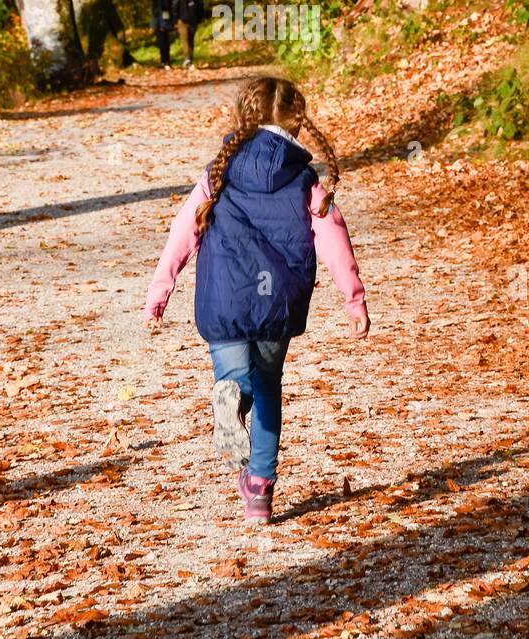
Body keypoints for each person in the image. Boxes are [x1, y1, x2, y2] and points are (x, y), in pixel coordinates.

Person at [144, 75, 369, 523]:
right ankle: (260, 490)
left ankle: (232, 395)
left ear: (243, 117)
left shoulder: (219, 171)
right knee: (268, 384)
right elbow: (333, 236)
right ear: (296, 125)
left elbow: (182, 233)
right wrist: (353, 299)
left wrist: (159, 291)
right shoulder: (303, 180)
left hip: (224, 296)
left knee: (234, 375)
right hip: (277, 301)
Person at [172, 0, 205, 67]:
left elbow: (175, 5)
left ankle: (187, 58)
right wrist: (200, 18)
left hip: (182, 20)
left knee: (184, 39)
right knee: (191, 39)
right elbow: (201, 6)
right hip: (194, 20)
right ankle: (190, 59)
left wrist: (174, 19)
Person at [147, 0, 176, 68]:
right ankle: (165, 60)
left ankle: (165, 61)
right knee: (163, 39)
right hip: (162, 15)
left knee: (162, 39)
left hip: (161, 15)